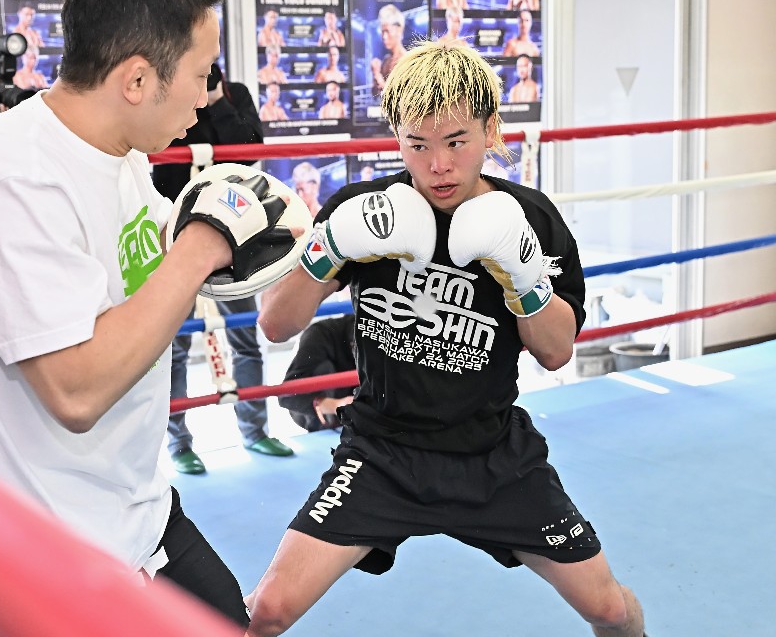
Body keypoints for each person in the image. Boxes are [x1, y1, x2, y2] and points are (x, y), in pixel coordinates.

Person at [0, 0, 301, 631]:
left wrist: (251, 245)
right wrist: (201, 247)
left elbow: (145, 278)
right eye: (200, 74)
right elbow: (76, 389)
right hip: (32, 560)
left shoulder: (118, 152)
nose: (206, 95)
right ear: (136, 79)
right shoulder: (12, 177)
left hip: (133, 513)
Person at [244, 40, 646, 637]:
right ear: (397, 138)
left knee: (610, 610)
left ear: (490, 130)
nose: (438, 165)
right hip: (381, 452)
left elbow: (556, 351)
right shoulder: (365, 210)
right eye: (418, 145)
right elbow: (276, 323)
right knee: (268, 610)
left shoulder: (529, 218)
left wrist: (524, 275)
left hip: (493, 455)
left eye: (456, 142)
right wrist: (329, 246)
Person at [152, 63, 294, 475]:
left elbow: (250, 150)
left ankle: (255, 430)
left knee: (244, 335)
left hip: (234, 236)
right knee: (176, 345)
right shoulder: (169, 96)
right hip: (179, 234)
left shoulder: (235, 95)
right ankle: (179, 443)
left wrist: (216, 101)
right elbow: (162, 152)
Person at [277, 314, 355, 432]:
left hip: (357, 404)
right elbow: (287, 395)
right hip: (318, 409)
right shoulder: (320, 334)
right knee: (324, 369)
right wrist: (335, 405)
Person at [370, 4, 406, 96]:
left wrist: (377, 74)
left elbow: (398, 97)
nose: (384, 37)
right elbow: (375, 94)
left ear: (399, 30)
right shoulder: (386, 60)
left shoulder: (406, 61)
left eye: (387, 31)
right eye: (382, 32)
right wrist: (375, 75)